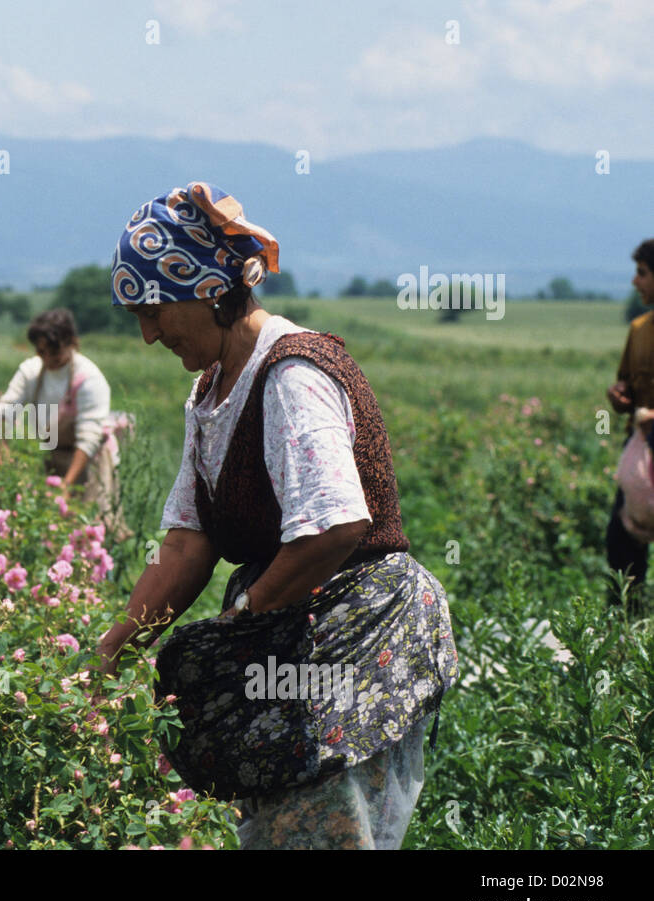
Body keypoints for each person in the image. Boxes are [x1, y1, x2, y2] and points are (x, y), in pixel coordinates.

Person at [95, 182, 458, 849]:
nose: (148, 335)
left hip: (359, 627)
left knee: (329, 825)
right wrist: (109, 655)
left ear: (207, 291)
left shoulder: (292, 374)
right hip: (296, 629)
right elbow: (186, 547)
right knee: (276, 829)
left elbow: (337, 526)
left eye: (153, 311)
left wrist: (242, 617)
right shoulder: (209, 392)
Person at [0, 307, 131, 540]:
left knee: (88, 532)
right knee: (49, 530)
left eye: (54, 352)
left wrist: (66, 487)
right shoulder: (31, 372)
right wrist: (0, 449)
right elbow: (3, 411)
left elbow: (89, 439)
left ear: (73, 343)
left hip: (87, 463)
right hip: (50, 456)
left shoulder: (88, 379)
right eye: (41, 351)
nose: (47, 358)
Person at [605, 239, 654, 608]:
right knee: (621, 544)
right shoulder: (639, 330)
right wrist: (620, 398)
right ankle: (626, 625)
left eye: (642, 273)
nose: (635, 282)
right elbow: (626, 384)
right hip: (640, 449)